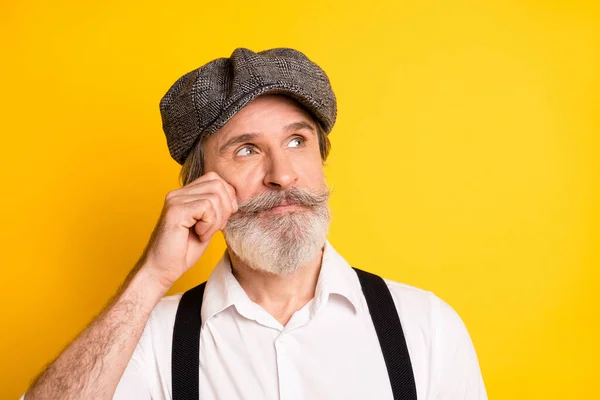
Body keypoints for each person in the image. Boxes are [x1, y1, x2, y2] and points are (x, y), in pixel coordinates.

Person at [22, 48, 487, 400]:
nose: (282, 175)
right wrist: (152, 277)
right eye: (246, 149)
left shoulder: (424, 327)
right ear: (201, 184)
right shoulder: (148, 339)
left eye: (297, 141)